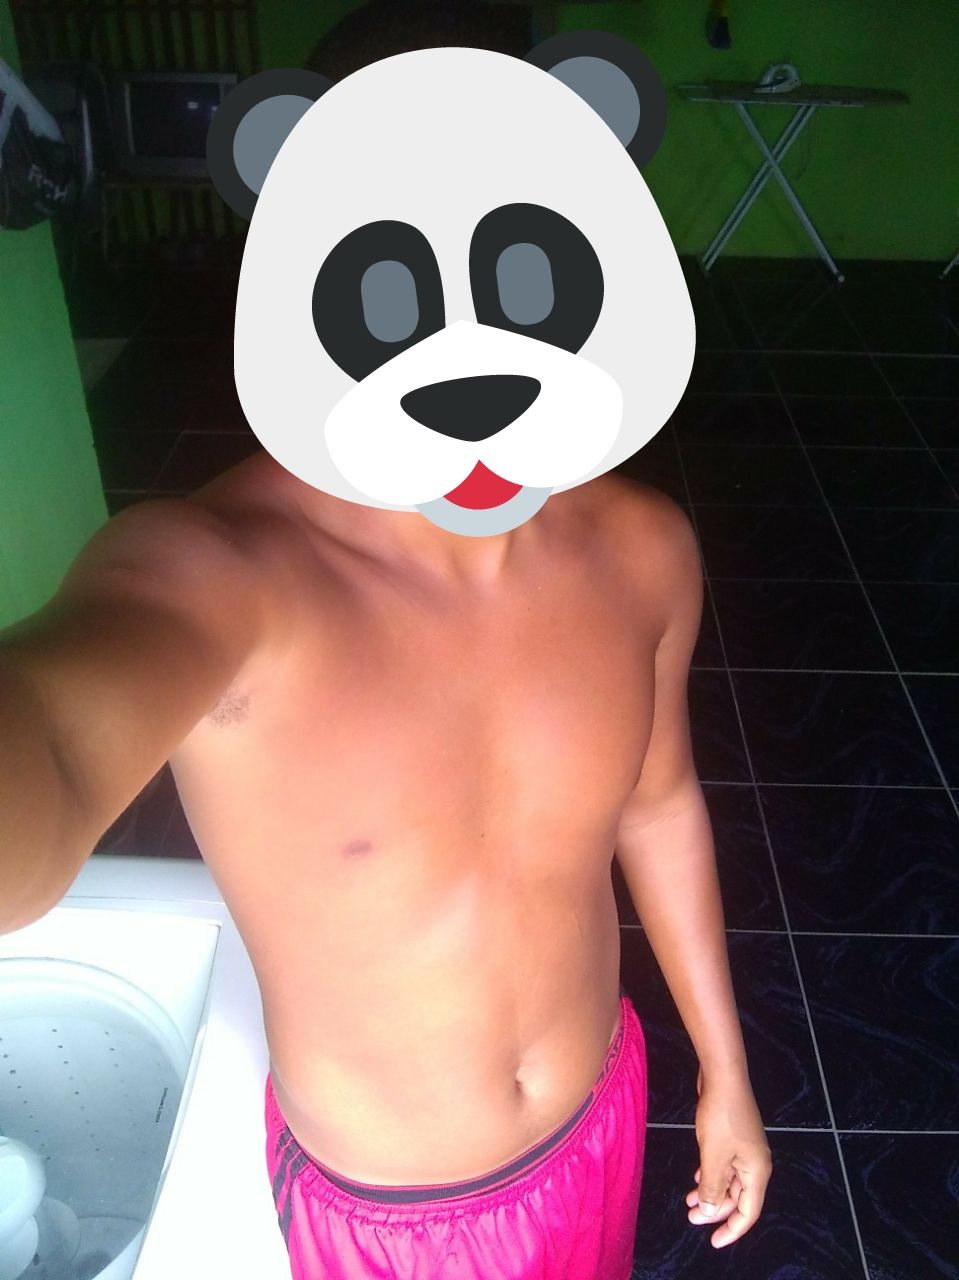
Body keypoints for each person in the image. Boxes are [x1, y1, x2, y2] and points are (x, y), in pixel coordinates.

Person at [0, 2, 772, 1277]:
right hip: (389, 1218)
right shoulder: (220, 575)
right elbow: (50, 756)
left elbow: (657, 801)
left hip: (599, 1118)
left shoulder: (641, 548)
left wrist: (723, 1069)